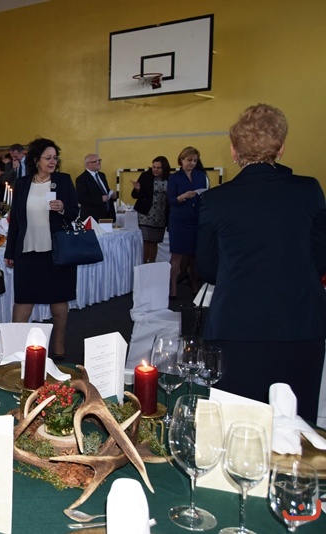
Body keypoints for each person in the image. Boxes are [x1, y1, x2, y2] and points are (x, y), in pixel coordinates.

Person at [196, 104, 326, 421]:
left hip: (236, 325)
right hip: (300, 323)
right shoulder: (308, 190)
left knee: (236, 424)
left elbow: (207, 269)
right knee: (296, 425)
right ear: (280, 149)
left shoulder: (215, 200)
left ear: (234, 151)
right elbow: (320, 259)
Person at [4, 138, 78, 360]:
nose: (52, 161)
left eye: (55, 158)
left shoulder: (63, 181)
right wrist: (10, 251)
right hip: (27, 250)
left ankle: (59, 346)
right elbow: (16, 220)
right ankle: (15, 348)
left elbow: (74, 212)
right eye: (48, 158)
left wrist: (63, 208)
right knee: (23, 299)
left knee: (59, 298)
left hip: (57, 251)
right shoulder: (23, 183)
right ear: (36, 160)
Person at [167, 146, 208, 298]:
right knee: (177, 255)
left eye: (195, 161)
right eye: (189, 160)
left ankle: (194, 283)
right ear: (182, 160)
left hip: (195, 218)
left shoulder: (201, 175)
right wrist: (183, 196)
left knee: (195, 255)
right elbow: (170, 200)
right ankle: (173, 288)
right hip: (179, 220)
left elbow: (205, 195)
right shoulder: (174, 178)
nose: (192, 163)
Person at [130, 156, 171, 263]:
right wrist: (137, 189)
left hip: (161, 214)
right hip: (146, 213)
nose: (155, 170)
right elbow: (134, 195)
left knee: (154, 241)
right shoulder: (145, 176)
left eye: (158, 168)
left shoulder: (170, 178)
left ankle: (151, 264)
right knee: (146, 240)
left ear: (164, 168)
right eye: (154, 167)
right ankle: (143, 264)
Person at [76, 154, 117, 222]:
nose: (99, 163)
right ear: (88, 164)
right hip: (92, 217)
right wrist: (100, 199)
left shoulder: (102, 175)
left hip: (107, 215)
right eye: (95, 161)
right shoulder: (81, 179)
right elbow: (81, 199)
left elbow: (104, 190)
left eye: (99, 160)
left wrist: (113, 195)